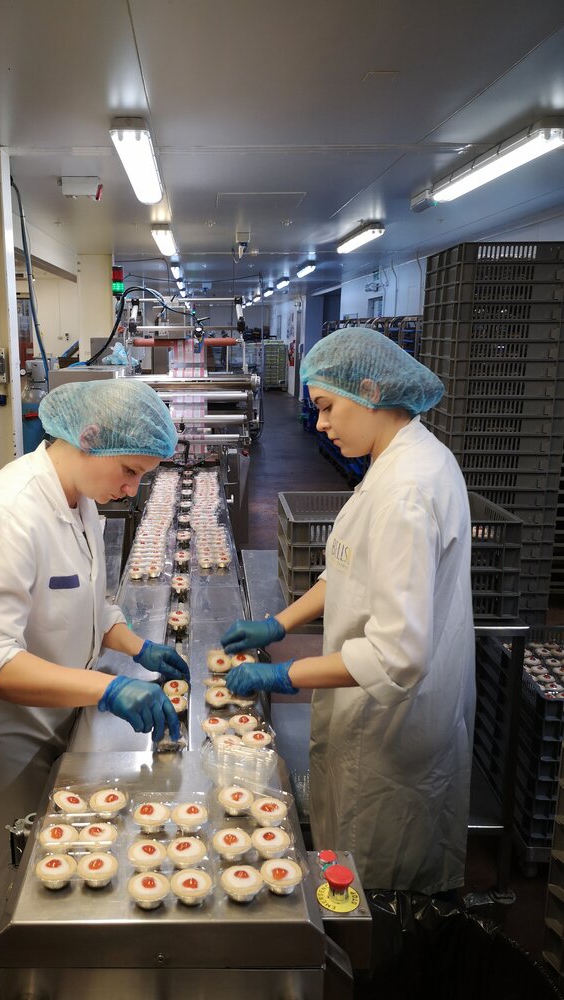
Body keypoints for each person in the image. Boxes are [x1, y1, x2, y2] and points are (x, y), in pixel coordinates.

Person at [0, 378, 187, 940]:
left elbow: (89, 602)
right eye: (130, 471)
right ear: (89, 438)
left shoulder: (80, 501)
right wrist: (108, 689)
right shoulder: (7, 513)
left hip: (48, 722)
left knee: (43, 880)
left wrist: (138, 646)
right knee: (1, 895)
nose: (131, 489)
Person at [222, 327, 475, 896]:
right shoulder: (395, 463)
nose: (320, 424)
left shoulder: (406, 491)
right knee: (348, 861)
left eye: (327, 407)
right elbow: (349, 569)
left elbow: (395, 656)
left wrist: (286, 674)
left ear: (370, 391)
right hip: (372, 714)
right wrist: (279, 623)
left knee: (372, 885)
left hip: (390, 732)